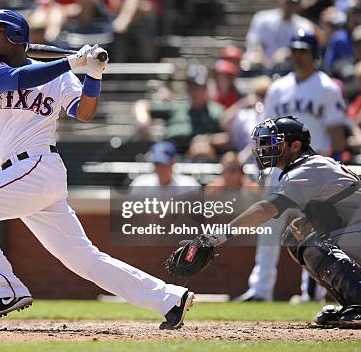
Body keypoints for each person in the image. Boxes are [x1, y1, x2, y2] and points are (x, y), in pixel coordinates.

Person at [0, 9, 194, 329]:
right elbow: (17, 79)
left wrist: (94, 73)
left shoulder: (59, 75)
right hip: (25, 174)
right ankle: (169, 299)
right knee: (83, 259)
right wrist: (71, 62)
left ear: (19, 37)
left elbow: (84, 111)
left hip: (38, 166)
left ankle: (6, 289)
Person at [183, 116, 361, 328]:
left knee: (312, 244)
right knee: (297, 237)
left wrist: (215, 237)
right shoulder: (312, 166)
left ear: (295, 145)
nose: (265, 148)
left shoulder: (306, 168)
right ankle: (352, 303)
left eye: (273, 142)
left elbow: (265, 209)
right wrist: (309, 219)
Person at [237, 30, 349, 303]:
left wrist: (334, 166)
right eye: (295, 50)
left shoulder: (327, 87)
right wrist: (258, 165)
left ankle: (314, 291)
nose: (298, 56)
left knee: (313, 228)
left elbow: (337, 132)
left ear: (314, 54)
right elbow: (264, 131)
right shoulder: (279, 87)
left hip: (313, 167)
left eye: (303, 51)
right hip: (280, 166)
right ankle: (260, 289)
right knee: (268, 227)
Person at [244, 0, 314, 72]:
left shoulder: (304, 26)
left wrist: (287, 53)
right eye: (287, 2)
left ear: (298, 5)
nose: (289, 6)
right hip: (261, 68)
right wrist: (269, 63)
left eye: (293, 3)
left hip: (290, 72)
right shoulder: (263, 19)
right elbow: (257, 47)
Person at [130, 141, 200, 188]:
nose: (159, 168)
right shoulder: (141, 183)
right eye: (156, 164)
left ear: (173, 162)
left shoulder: (189, 184)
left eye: (162, 164)